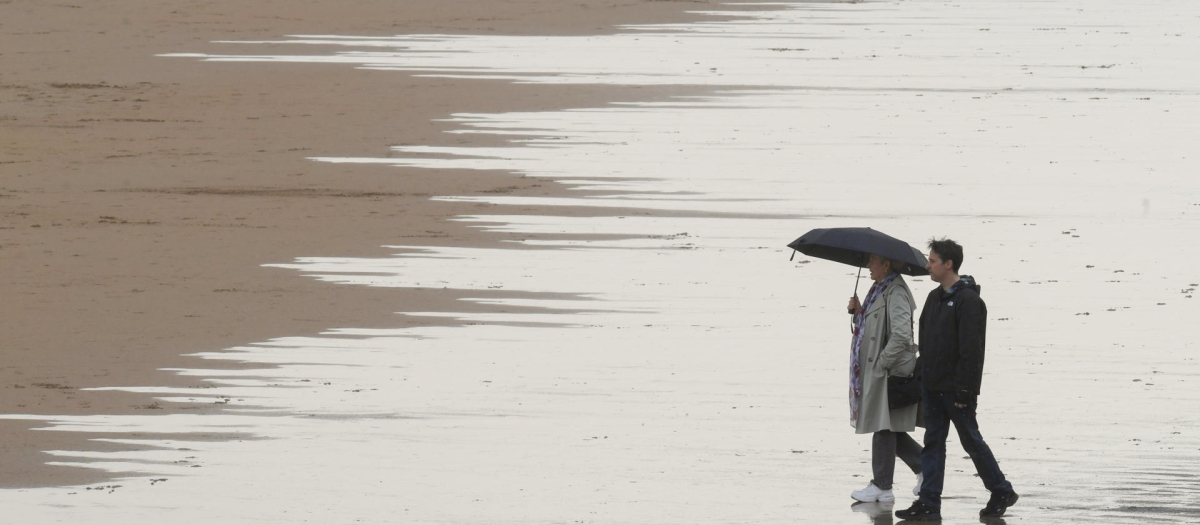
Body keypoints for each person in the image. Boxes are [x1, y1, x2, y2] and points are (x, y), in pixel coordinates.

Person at [896, 238, 1019, 521]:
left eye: (932, 261)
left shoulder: (969, 301)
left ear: (948, 264)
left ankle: (1001, 490)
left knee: (971, 442)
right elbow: (925, 341)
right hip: (932, 387)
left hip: (956, 390)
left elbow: (972, 351)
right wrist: (921, 377)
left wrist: (966, 391)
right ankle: (929, 501)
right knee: (933, 444)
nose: (927, 265)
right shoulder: (932, 297)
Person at [845, 254, 923, 503]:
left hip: (891, 372)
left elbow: (901, 336)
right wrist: (859, 313)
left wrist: (881, 364)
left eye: (872, 261)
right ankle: (925, 470)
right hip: (879, 371)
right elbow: (875, 328)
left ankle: (882, 486)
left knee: (883, 426)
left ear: (887, 264)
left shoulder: (896, 290)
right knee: (887, 427)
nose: (868, 265)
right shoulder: (879, 289)